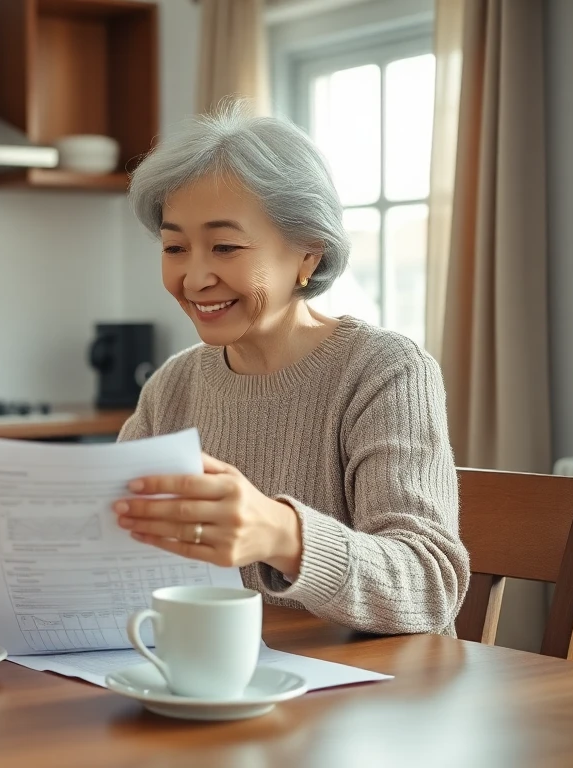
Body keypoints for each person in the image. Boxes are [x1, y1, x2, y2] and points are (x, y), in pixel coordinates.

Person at [112, 105, 470, 635]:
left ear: (307, 254)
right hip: (211, 684)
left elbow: (428, 585)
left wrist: (282, 534)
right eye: (175, 248)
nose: (194, 276)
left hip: (369, 700)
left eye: (225, 246)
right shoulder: (172, 387)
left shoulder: (385, 372)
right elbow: (107, 543)